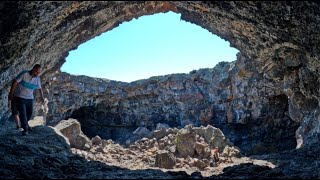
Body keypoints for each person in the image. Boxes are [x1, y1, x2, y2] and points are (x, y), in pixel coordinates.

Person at [8, 64, 45, 136]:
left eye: (39, 72)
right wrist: (11, 93)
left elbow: (40, 89)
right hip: (20, 97)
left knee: (29, 113)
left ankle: (25, 124)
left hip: (30, 98)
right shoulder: (24, 73)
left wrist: (42, 97)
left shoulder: (37, 79)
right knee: (23, 113)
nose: (38, 74)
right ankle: (25, 129)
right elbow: (15, 82)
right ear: (33, 69)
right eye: (37, 72)